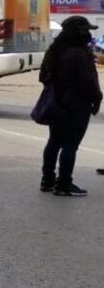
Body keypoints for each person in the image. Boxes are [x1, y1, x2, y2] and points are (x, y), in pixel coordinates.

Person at [39, 15, 101, 196]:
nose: (89, 34)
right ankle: (64, 183)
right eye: (87, 30)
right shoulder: (80, 53)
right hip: (77, 105)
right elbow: (90, 82)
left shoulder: (54, 50)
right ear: (80, 32)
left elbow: (43, 77)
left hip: (56, 103)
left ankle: (47, 180)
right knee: (70, 145)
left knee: (54, 142)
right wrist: (97, 99)